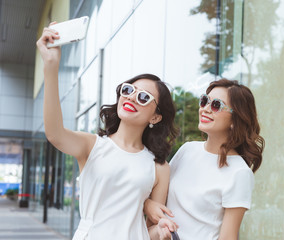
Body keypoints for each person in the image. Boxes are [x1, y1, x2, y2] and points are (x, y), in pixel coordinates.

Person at [37, 23, 178, 240]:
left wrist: (160, 231)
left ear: (155, 117)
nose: (131, 97)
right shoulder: (92, 145)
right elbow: (54, 133)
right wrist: (51, 66)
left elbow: (148, 229)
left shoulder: (159, 167)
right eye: (129, 90)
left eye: (143, 97)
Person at [145, 79, 265, 240]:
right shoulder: (187, 150)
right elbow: (158, 195)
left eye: (216, 105)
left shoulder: (240, 173)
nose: (205, 109)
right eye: (204, 101)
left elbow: (228, 237)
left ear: (235, 119)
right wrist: (148, 205)